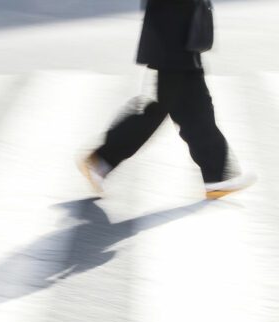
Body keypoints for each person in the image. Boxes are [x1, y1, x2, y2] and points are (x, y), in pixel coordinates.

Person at [79, 0, 256, 199]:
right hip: (173, 31)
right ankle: (102, 159)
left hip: (177, 30)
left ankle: (216, 174)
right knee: (174, 106)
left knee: (185, 105)